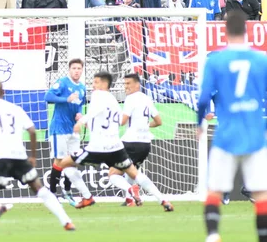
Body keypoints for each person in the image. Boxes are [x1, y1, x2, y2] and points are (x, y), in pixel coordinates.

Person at [194, 10, 267, 242]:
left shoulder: (216, 61)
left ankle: (213, 237)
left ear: (225, 32)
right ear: (247, 32)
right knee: (261, 196)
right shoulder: (262, 60)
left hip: (226, 135)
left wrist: (199, 122)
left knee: (213, 192)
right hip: (256, 135)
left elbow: (203, 99)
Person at [56, 71, 173, 212]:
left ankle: (88, 196)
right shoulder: (115, 100)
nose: (93, 85)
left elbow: (98, 112)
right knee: (133, 172)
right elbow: (117, 121)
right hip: (118, 147)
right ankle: (163, 200)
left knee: (62, 163)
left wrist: (81, 121)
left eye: (95, 82)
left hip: (98, 147)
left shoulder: (98, 95)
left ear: (104, 84)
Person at [0, 80, 76, 231]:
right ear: (3, 93)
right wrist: (33, 156)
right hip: (19, 156)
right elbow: (32, 131)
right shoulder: (16, 108)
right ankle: (66, 221)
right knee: (40, 189)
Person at [45, 58, 94, 208]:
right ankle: (52, 194)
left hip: (73, 129)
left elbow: (79, 106)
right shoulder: (63, 82)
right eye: (74, 68)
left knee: (73, 161)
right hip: (59, 128)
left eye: (79, 68)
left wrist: (79, 115)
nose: (76, 71)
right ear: (69, 69)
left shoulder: (82, 88)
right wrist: (66, 98)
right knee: (59, 161)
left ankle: (67, 191)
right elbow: (48, 97)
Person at [120, 73, 170, 209]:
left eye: (128, 84)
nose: (126, 87)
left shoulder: (130, 99)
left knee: (114, 173)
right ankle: (130, 199)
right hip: (145, 144)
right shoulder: (147, 99)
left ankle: (133, 191)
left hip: (130, 141)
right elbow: (159, 121)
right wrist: (145, 126)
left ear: (137, 84)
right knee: (132, 170)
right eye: (125, 84)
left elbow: (122, 121)